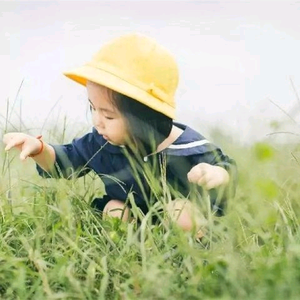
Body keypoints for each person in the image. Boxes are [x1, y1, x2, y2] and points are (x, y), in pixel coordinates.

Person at [3, 33, 237, 238]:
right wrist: (39, 149)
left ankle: (189, 252)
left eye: (109, 115)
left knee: (180, 213)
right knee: (115, 210)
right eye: (93, 108)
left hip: (179, 214)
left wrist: (217, 174)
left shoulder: (189, 147)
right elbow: (65, 161)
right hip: (133, 213)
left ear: (144, 117)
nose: (97, 121)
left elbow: (225, 169)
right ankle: (129, 249)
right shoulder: (102, 142)